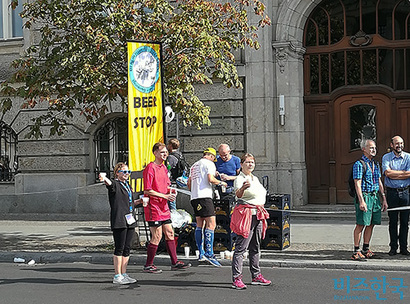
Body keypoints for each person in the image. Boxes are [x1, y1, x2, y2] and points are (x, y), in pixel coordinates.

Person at [143, 142, 191, 273]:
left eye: (166, 152)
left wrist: (171, 192)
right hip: (154, 207)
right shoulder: (150, 168)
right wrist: (165, 197)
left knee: (170, 233)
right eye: (162, 152)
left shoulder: (164, 168)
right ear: (155, 153)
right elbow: (147, 190)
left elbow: (167, 186)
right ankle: (148, 264)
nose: (165, 154)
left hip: (164, 207)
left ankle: (174, 262)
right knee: (157, 236)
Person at [230, 153, 271, 289]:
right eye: (247, 162)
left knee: (255, 246)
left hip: (258, 214)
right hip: (246, 214)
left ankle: (256, 275)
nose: (250, 164)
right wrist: (242, 188)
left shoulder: (255, 178)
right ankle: (237, 278)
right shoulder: (239, 179)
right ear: (241, 164)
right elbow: (238, 195)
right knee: (241, 247)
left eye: (252, 162)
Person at [100, 162, 140, 285]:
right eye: (124, 172)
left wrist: (140, 201)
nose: (127, 174)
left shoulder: (127, 185)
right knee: (120, 248)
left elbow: (129, 201)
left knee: (127, 248)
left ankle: (124, 273)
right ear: (117, 173)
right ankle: (117, 275)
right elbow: (109, 184)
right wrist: (104, 177)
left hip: (130, 218)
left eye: (128, 172)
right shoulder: (115, 184)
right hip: (119, 219)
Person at [187, 147, 227, 267]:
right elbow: (210, 179)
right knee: (211, 224)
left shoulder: (194, 165)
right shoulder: (209, 163)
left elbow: (189, 183)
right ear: (211, 156)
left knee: (200, 224)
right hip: (205, 197)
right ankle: (209, 253)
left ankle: (200, 253)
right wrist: (221, 182)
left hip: (194, 197)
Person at [351, 139, 388, 261]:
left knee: (371, 223)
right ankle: (356, 251)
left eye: (374, 148)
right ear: (364, 149)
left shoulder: (375, 164)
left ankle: (366, 248)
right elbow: (357, 183)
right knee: (361, 223)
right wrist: (361, 201)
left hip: (374, 196)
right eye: (371, 148)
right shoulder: (359, 164)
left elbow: (379, 181)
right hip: (365, 196)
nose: (373, 150)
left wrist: (383, 198)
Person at [382, 135, 410, 256]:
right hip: (392, 193)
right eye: (397, 143)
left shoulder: (408, 157)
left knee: (405, 222)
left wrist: (395, 174)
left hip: (405, 192)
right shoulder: (386, 157)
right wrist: (403, 174)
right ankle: (393, 247)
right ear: (392, 145)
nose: (400, 146)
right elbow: (387, 173)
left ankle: (404, 247)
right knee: (392, 222)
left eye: (401, 143)